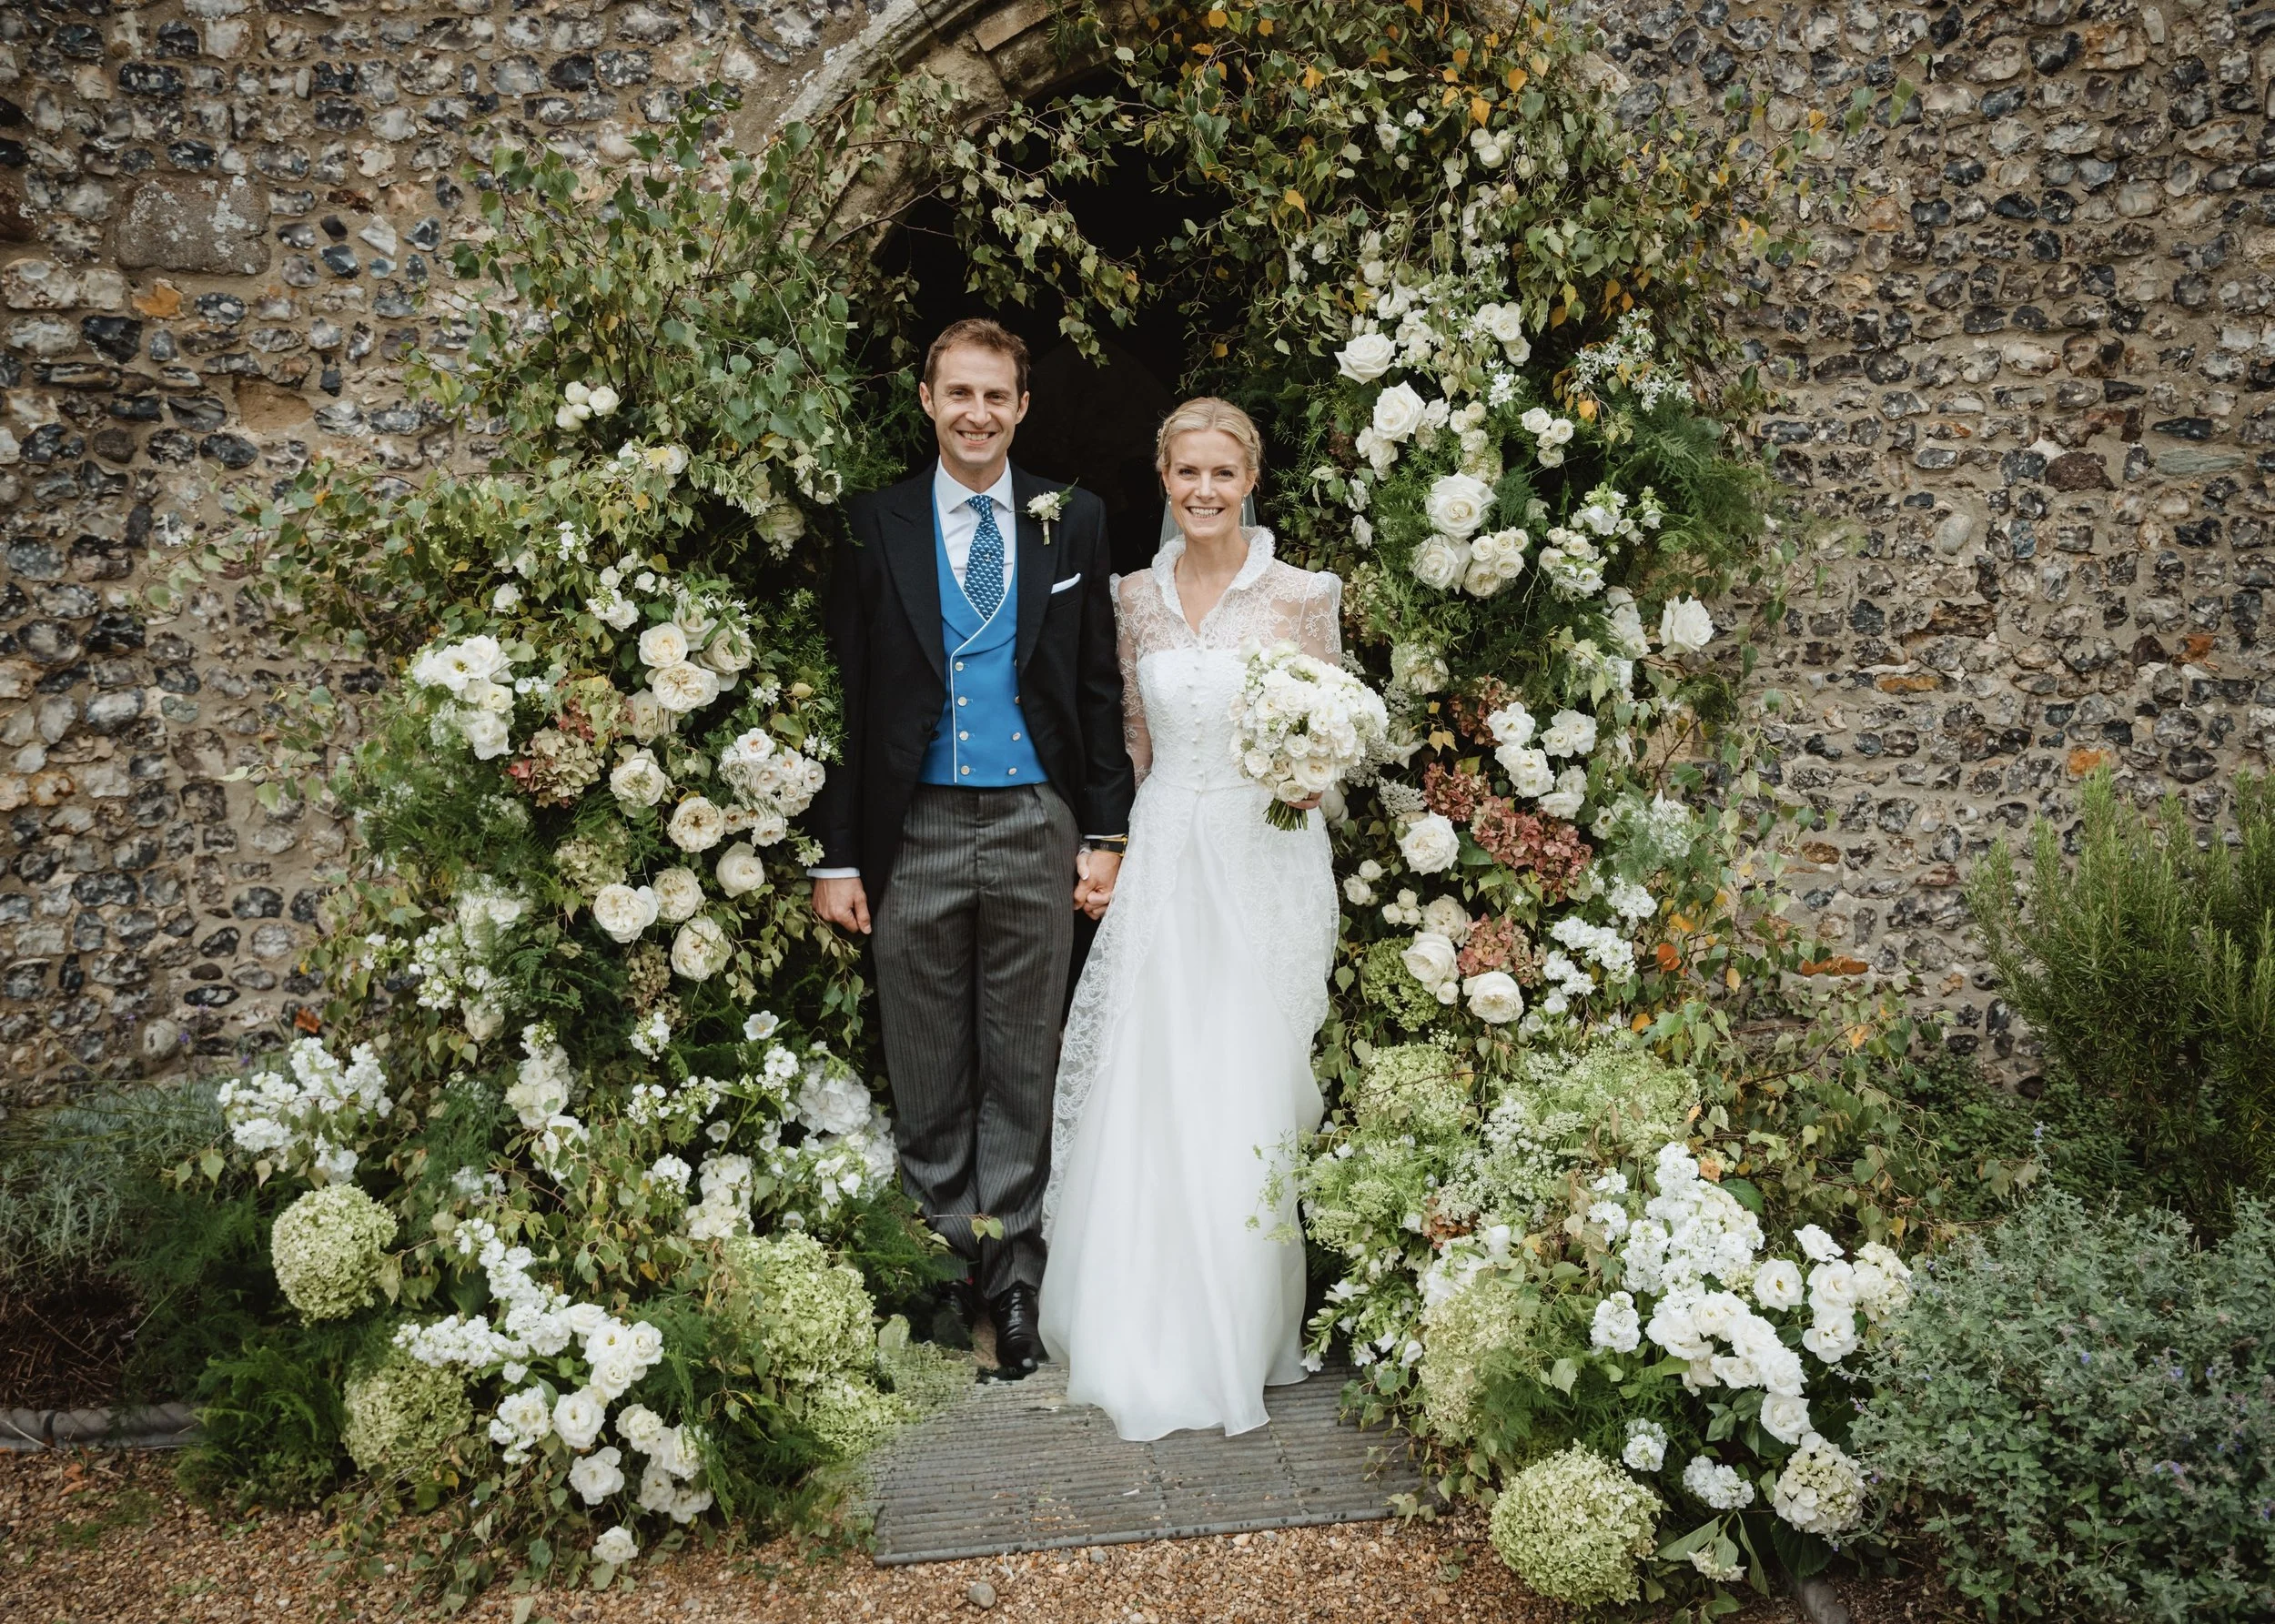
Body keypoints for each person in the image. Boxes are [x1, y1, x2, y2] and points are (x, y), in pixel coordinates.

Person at [810, 319, 1134, 1378]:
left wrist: (1104, 832)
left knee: (1023, 1061)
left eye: (995, 396)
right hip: (916, 827)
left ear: (1023, 406)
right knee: (927, 1060)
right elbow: (846, 697)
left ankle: (1018, 1282)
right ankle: (945, 1273)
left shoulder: (1072, 521)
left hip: (1038, 818)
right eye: (959, 394)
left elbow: (1095, 684)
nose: (977, 415)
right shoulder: (875, 524)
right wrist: (837, 855)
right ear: (925, 399)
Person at [1039, 398, 1342, 1438]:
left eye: (1222, 472)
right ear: (1162, 479)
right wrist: (1112, 853)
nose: (1204, 491)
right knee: (1154, 1078)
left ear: (1249, 476)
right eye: (1185, 474)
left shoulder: (1304, 595)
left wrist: (1312, 784)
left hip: (1266, 860)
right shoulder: (1133, 598)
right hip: (1170, 850)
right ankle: (1145, 1329)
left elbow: (1337, 736)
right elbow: (1130, 743)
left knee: (1246, 1087)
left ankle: (1245, 1336)